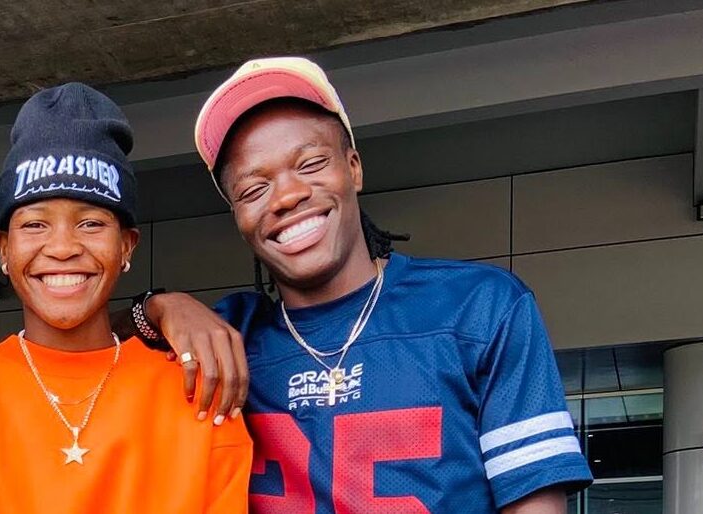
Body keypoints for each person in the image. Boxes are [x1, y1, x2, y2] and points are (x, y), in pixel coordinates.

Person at [127, 57, 593, 513]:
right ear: (238, 217)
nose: (287, 196)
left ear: (353, 168)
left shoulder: (479, 306)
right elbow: (98, 346)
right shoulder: (229, 335)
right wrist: (161, 307)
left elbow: (535, 503)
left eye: (310, 163)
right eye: (253, 189)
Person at [0, 82, 253, 513]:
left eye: (91, 224)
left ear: (127, 246)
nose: (63, 247)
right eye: (34, 224)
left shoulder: (198, 390)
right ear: (3, 249)